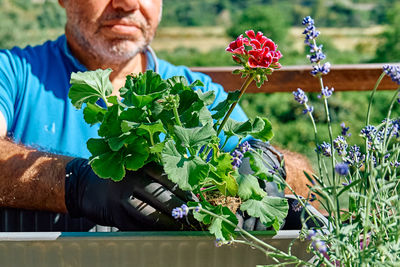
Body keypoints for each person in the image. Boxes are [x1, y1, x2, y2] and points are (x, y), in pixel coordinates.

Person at [0, 0, 307, 232]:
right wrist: (75, 183)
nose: (127, 3)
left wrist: (274, 169)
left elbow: (308, 184)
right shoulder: (12, 73)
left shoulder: (195, 92)